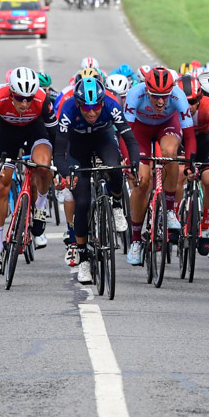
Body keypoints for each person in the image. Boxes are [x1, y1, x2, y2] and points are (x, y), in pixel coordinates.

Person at [53, 76, 139, 284]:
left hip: (103, 140)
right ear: (78, 104)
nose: (91, 113)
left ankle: (117, 205)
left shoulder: (111, 104)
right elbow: (59, 152)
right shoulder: (67, 109)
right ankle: (83, 258)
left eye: (96, 107)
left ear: (102, 102)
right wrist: (65, 174)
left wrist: (135, 163)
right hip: (77, 148)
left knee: (115, 167)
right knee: (82, 203)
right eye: (86, 108)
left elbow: (129, 138)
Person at [0, 67, 57, 277]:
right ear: (11, 93)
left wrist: (60, 162)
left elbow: (56, 134)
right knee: (1, 185)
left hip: (35, 130)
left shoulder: (42, 100)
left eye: (28, 99)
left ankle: (39, 207)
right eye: (20, 98)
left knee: (43, 166)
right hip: (7, 134)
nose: (24, 103)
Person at [124, 67, 195, 266]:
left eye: (165, 96)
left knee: (170, 153)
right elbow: (125, 130)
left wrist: (190, 163)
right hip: (140, 132)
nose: (161, 101)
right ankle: (136, 240)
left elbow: (189, 135)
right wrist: (129, 160)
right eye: (155, 96)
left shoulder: (179, 96)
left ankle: (170, 209)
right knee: (141, 183)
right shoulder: (134, 93)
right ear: (146, 91)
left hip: (167, 126)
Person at [180, 75, 209, 258]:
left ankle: (207, 227)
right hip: (181, 140)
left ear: (199, 99)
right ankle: (171, 214)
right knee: (175, 173)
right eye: (185, 102)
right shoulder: (173, 108)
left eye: (193, 102)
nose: (189, 107)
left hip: (204, 141)